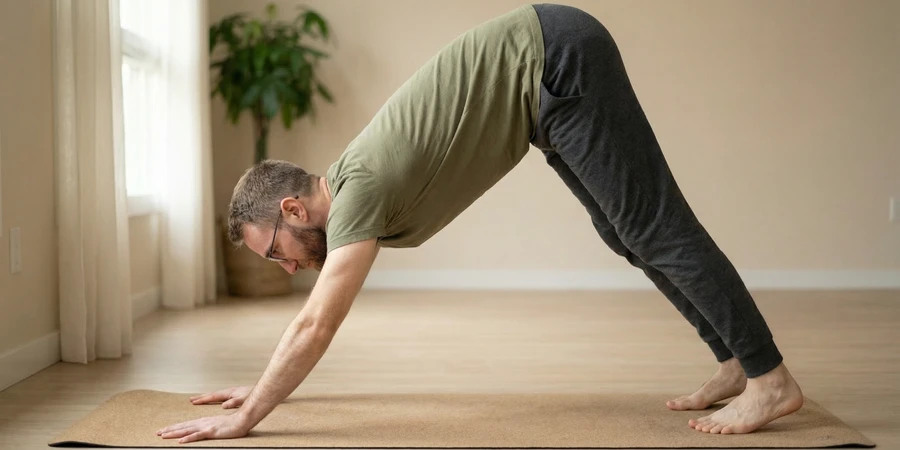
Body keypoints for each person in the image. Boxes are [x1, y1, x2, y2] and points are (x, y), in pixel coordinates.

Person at [157, 3, 804, 443]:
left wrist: (250, 415)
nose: (285, 267)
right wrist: (264, 387)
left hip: (557, 56)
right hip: (546, 83)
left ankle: (769, 378)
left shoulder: (357, 197)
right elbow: (310, 324)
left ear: (294, 210)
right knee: (627, 233)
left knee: (655, 225)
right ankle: (732, 360)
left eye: (276, 250)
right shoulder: (352, 185)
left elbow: (315, 323)